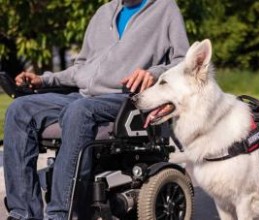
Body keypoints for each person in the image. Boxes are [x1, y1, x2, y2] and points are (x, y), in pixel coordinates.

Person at [3, 0, 189, 219]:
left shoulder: (165, 8)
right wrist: (43, 80)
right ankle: (23, 213)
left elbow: (183, 63)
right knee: (19, 109)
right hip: (84, 96)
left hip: (127, 98)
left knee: (80, 111)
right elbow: (81, 69)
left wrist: (155, 73)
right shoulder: (103, 13)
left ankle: (60, 214)